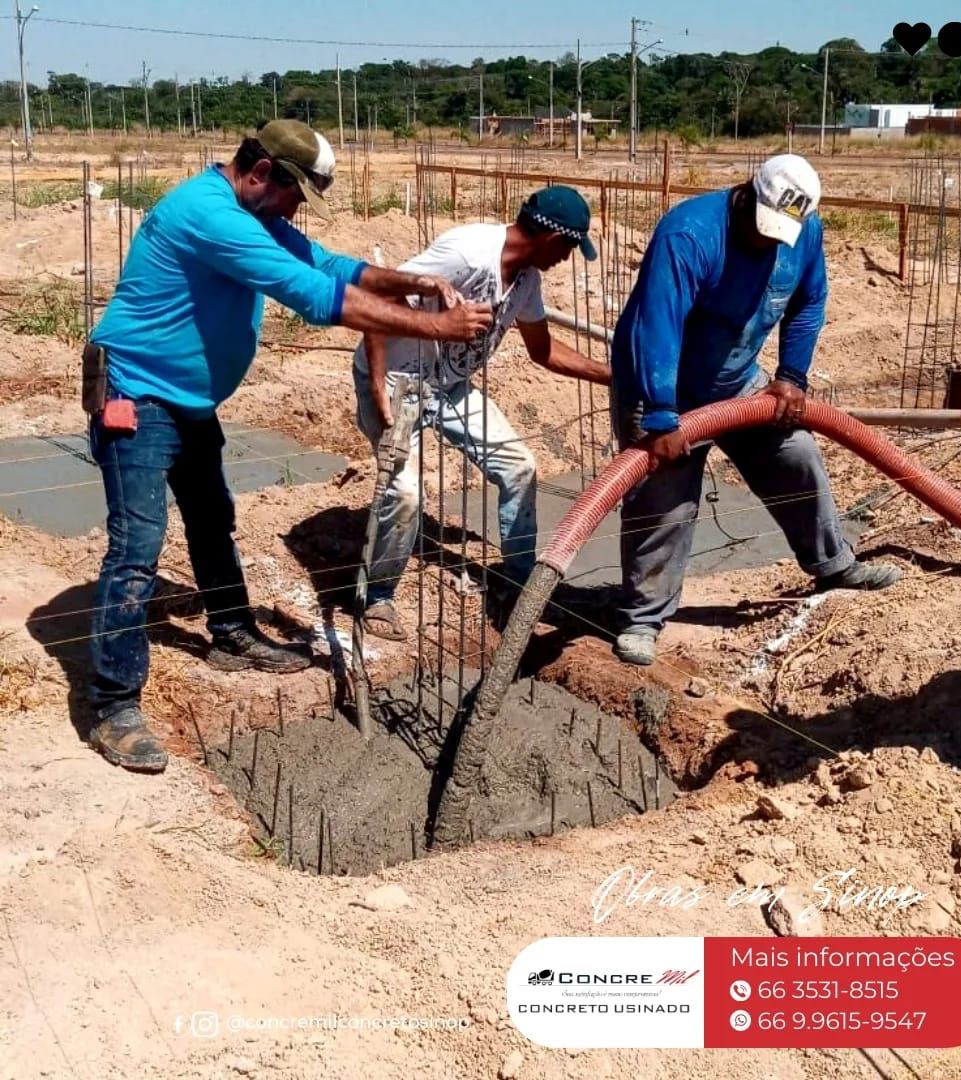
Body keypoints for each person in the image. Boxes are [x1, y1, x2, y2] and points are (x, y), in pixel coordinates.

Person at [85, 119, 493, 773]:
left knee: (212, 517)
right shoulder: (210, 216)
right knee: (136, 547)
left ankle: (230, 633)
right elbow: (313, 295)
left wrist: (408, 283)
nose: (296, 209)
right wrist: (435, 325)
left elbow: (329, 265)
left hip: (187, 400)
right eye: (295, 194)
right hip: (138, 392)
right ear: (262, 173)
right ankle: (112, 706)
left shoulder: (252, 215)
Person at [610, 154, 901, 667]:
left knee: (797, 457)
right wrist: (658, 415)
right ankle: (643, 616)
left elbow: (809, 301)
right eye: (762, 228)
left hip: (739, 381)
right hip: (661, 387)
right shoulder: (690, 234)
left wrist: (791, 376)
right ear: (747, 194)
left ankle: (832, 564)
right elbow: (656, 323)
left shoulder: (803, 233)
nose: (768, 241)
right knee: (664, 500)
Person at [353, 185, 611, 640]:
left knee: (519, 467)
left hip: (449, 386)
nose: (568, 259)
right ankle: (378, 597)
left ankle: (517, 579)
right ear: (553, 239)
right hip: (396, 382)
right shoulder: (468, 253)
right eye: (570, 248)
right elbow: (378, 295)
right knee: (406, 493)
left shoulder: (527, 281)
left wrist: (613, 376)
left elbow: (543, 350)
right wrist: (376, 385)